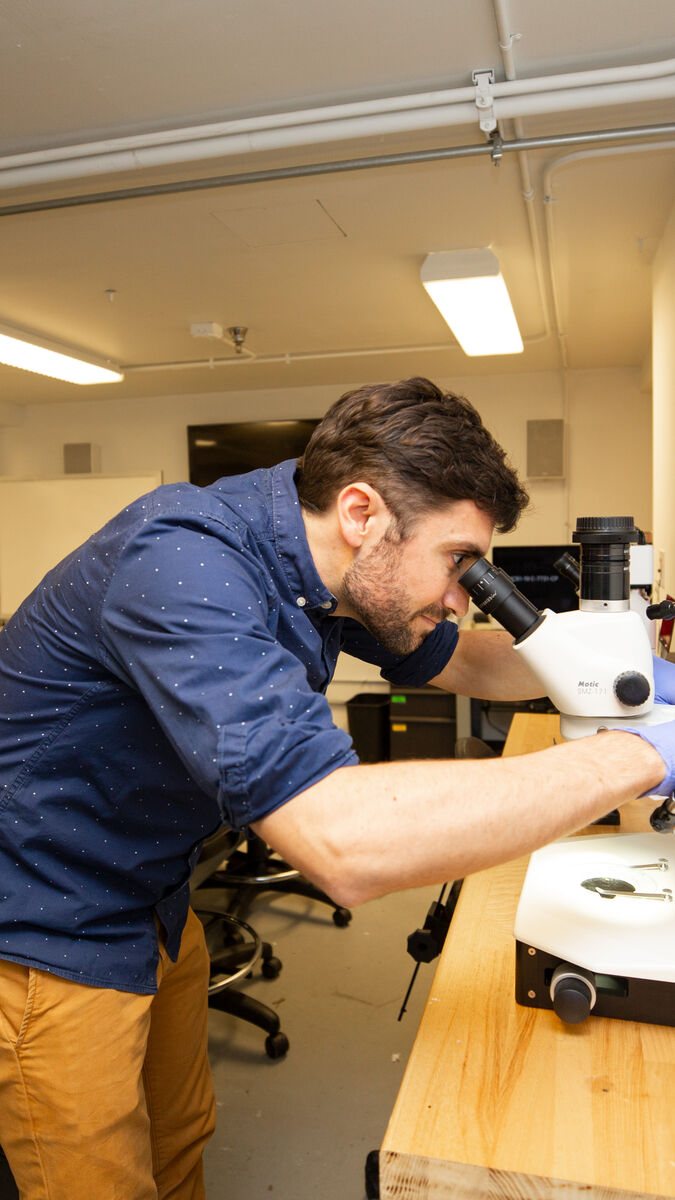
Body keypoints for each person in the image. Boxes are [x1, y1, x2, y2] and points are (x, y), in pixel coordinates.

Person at [0, 376, 672, 1199]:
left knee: (178, 1140)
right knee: (101, 1184)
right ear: (362, 513)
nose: (463, 596)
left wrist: (623, 672)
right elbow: (344, 846)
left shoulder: (324, 558)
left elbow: (464, 657)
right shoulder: (183, 562)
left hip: (152, 900)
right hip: (48, 928)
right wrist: (627, 755)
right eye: (456, 562)